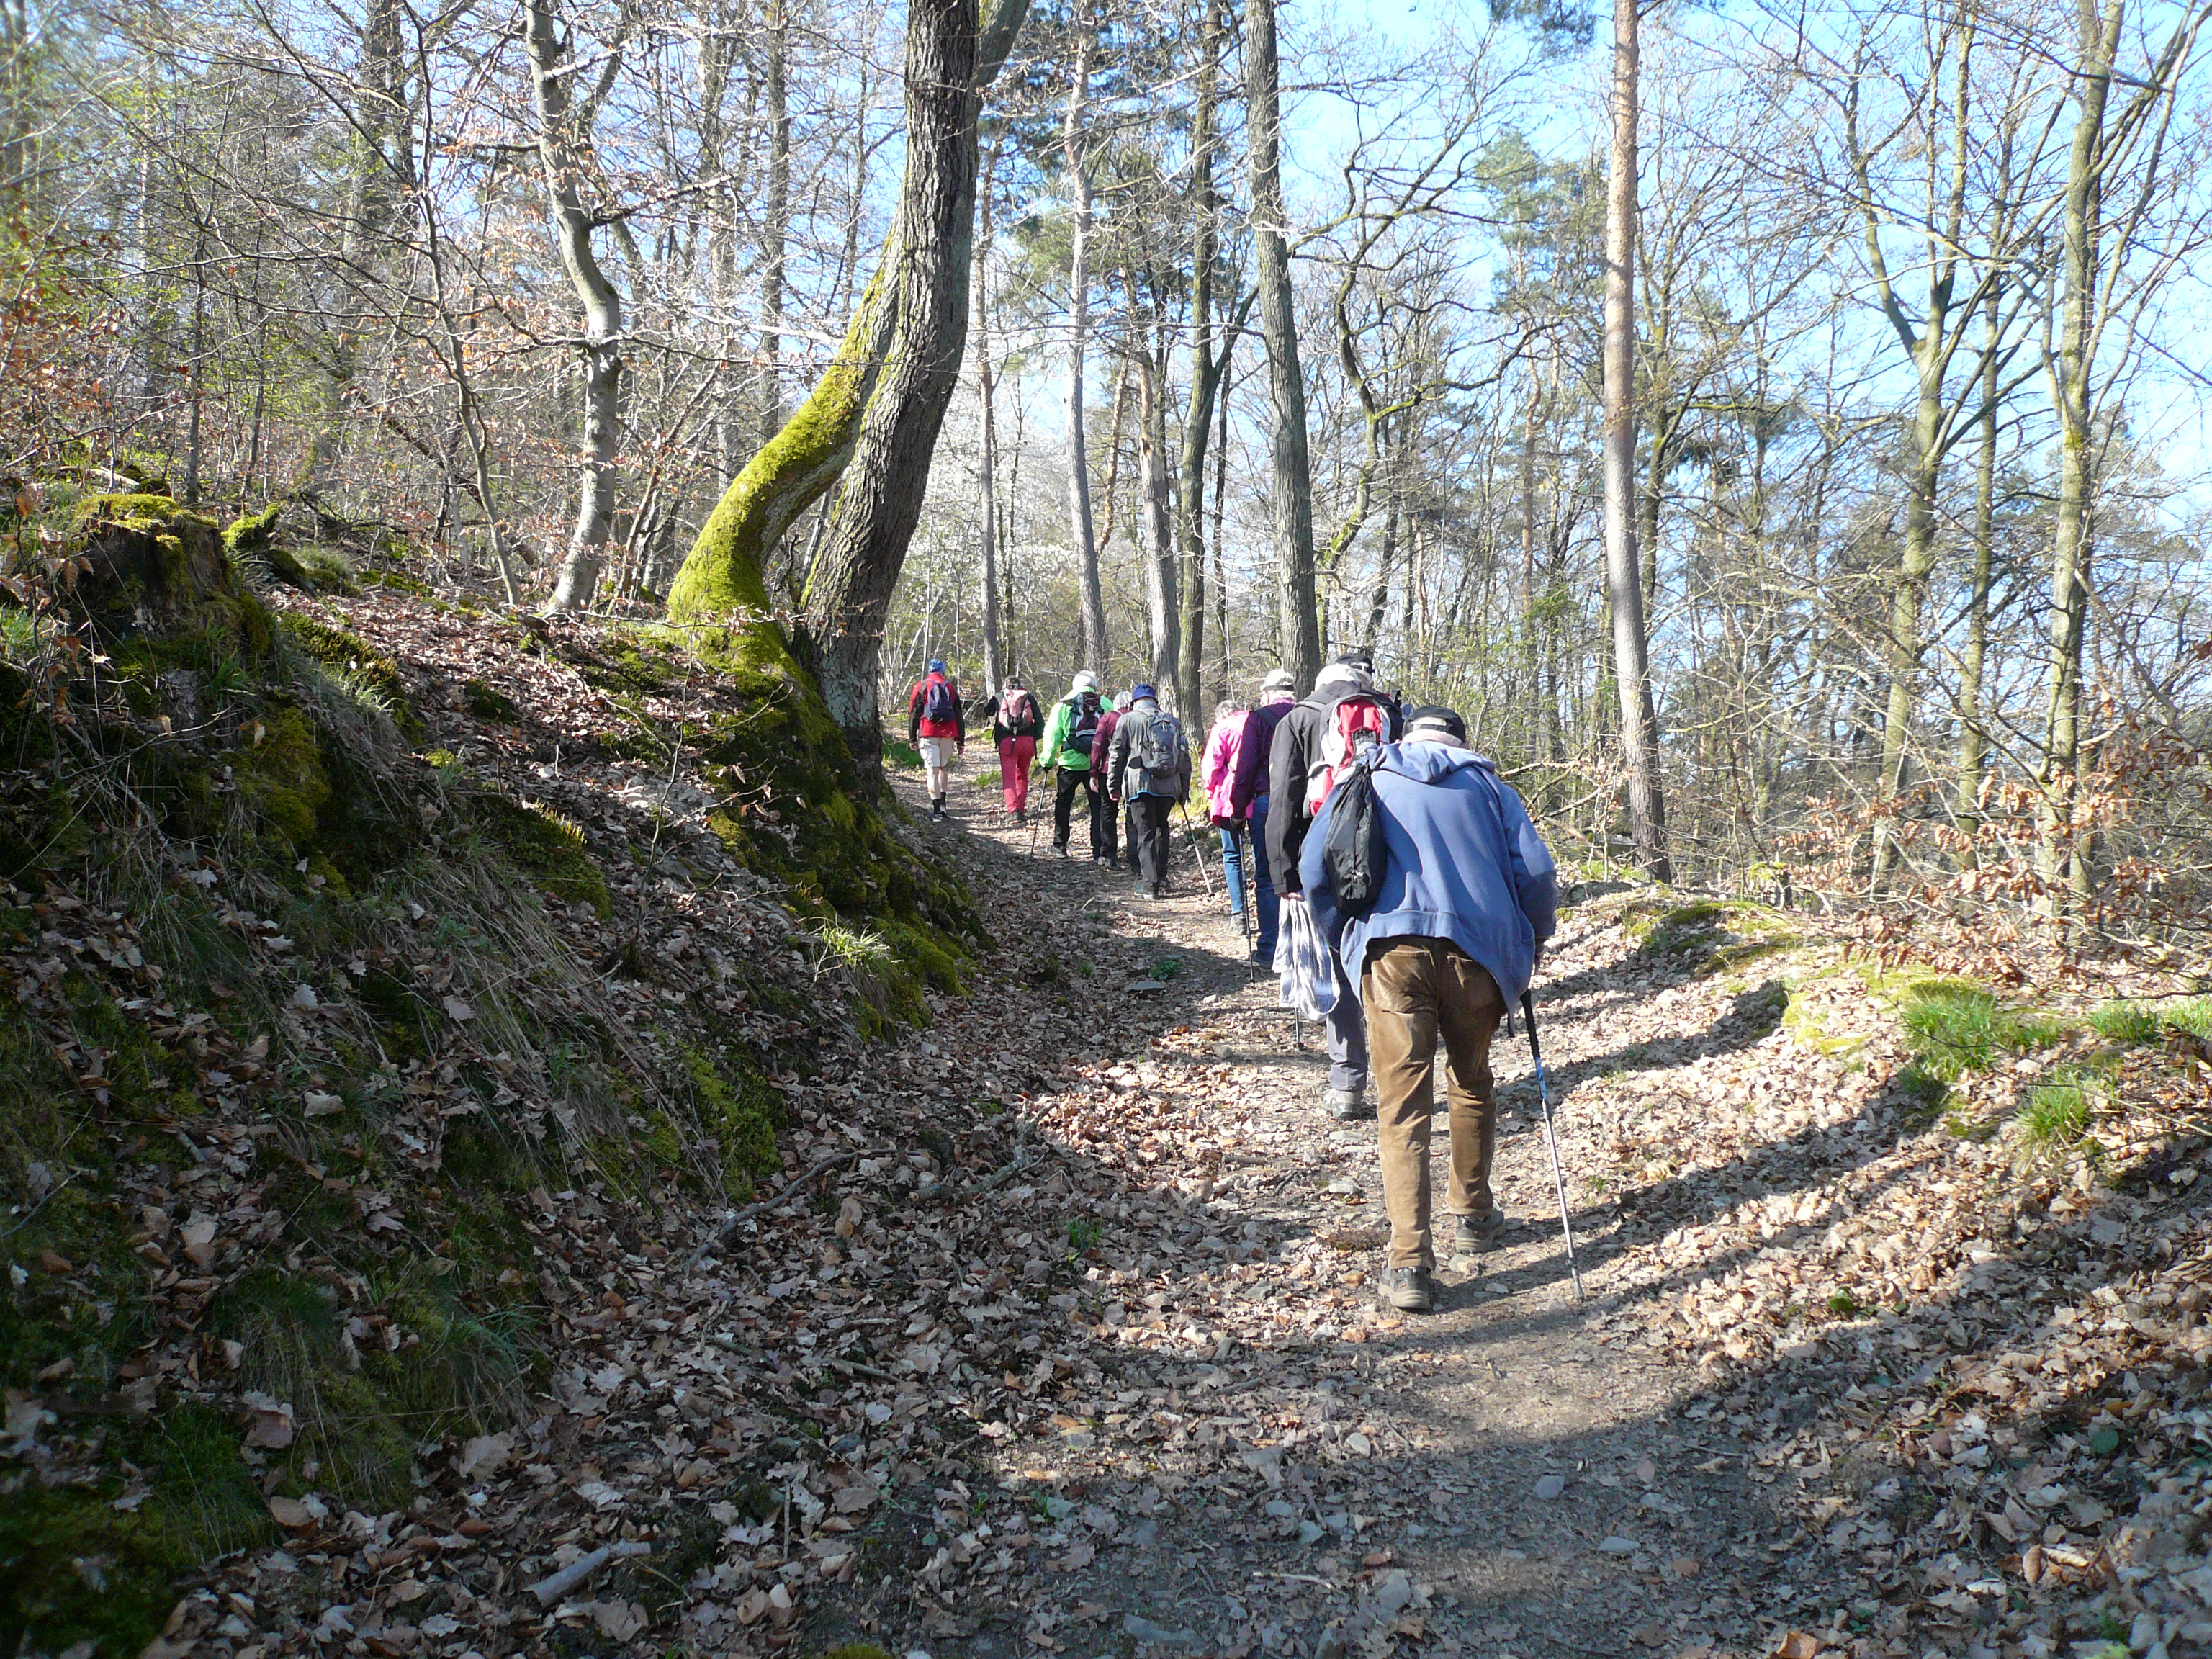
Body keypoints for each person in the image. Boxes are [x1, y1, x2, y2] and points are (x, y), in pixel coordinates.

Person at [1302, 704, 1557, 1314]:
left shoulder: (1367, 775)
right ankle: (1472, 1215)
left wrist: (1346, 937)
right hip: (1478, 954)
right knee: (1471, 1082)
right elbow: (1538, 875)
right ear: (1461, 742)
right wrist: (1532, 939)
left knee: (1402, 1105)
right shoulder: (1491, 789)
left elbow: (1315, 867)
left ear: (1407, 734)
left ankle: (1410, 1262)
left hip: (1392, 953)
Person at [1265, 653, 1402, 1118]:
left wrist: (1284, 873)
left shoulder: (1299, 718)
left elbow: (1284, 798)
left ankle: (1348, 1084)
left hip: (1322, 858)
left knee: (1335, 966)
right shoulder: (1389, 713)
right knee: (1383, 963)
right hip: (1388, 856)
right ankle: (1397, 1077)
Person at [1228, 668, 1298, 963]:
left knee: (1268, 876)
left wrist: (1237, 809)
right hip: (1305, 805)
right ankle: (1301, 949)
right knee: (1301, 876)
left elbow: (1245, 768)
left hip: (1267, 802)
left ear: (1268, 694)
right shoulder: (1311, 714)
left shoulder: (1258, 719)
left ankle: (1270, 948)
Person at [1106, 683, 1191, 899]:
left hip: (1140, 785)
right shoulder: (1172, 722)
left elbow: (1117, 754)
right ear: (1155, 700)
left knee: (1145, 832)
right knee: (1162, 827)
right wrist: (1184, 790)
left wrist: (1113, 785)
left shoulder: (1128, 720)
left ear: (1135, 702)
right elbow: (1184, 758)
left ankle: (1149, 884)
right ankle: (1162, 877)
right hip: (1168, 786)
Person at [1037, 672, 1105, 857]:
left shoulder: (1063, 705)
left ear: (1075, 685)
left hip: (1069, 763)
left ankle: (1060, 845)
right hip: (1096, 765)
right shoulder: (1105, 703)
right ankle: (1099, 849)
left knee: (1063, 804)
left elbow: (1052, 735)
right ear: (1094, 685)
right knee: (1097, 807)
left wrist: (1047, 760)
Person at [907, 657, 965, 821]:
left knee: (932, 772)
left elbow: (914, 713)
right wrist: (961, 740)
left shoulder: (922, 686)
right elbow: (959, 715)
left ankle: (937, 810)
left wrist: (912, 737)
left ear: (930, 671)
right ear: (943, 672)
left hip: (928, 732)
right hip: (948, 733)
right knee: (943, 768)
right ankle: (944, 806)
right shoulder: (950, 688)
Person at [985, 675, 1045, 822]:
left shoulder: (1000, 696)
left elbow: (987, 711)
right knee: (1023, 776)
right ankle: (1021, 808)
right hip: (1027, 742)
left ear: (1006, 686)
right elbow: (1040, 721)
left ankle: (1013, 810)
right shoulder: (1028, 698)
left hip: (1007, 742)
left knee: (1009, 777)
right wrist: (1034, 737)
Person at [1089, 691, 1131, 871]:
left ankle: (1108, 855)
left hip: (1109, 769)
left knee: (1107, 811)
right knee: (1133, 812)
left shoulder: (1108, 718)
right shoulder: (1138, 717)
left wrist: (1093, 771)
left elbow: (1098, 745)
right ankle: (1135, 856)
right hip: (1135, 771)